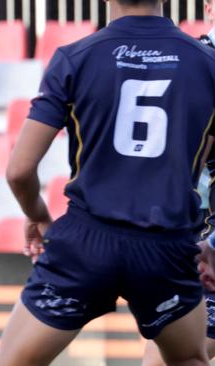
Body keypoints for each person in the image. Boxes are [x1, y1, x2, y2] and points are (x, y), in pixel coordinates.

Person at [0, 0, 215, 364]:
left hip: (86, 243)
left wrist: (38, 215)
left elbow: (19, 170)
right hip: (166, 246)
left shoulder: (75, 57)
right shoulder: (207, 64)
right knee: (190, 359)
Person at [140, 2, 215, 364]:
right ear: (210, 8)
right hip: (201, 242)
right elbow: (171, 162)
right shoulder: (194, 63)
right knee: (179, 353)